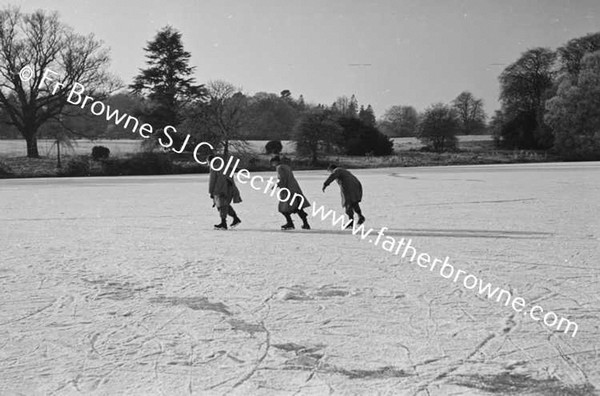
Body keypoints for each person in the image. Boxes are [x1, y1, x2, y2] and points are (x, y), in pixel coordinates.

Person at [270, 156, 311, 230]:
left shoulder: (279, 168)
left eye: (272, 162)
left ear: (275, 162)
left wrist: (276, 185)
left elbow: (282, 179)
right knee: (298, 207)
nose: (272, 164)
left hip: (288, 190)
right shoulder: (286, 166)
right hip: (295, 188)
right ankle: (305, 224)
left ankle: (290, 223)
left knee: (283, 208)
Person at [322, 164, 365, 228]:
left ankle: (351, 222)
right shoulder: (343, 170)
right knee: (354, 202)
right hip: (355, 185)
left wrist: (325, 184)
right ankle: (360, 216)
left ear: (331, 169)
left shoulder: (337, 170)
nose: (330, 172)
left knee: (348, 204)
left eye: (330, 171)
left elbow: (332, 176)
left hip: (348, 187)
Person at [208, 154, 242, 230]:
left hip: (220, 190)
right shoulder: (224, 166)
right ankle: (235, 219)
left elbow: (212, 181)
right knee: (225, 205)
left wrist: (211, 192)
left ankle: (224, 223)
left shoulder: (215, 167)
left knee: (222, 206)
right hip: (228, 189)